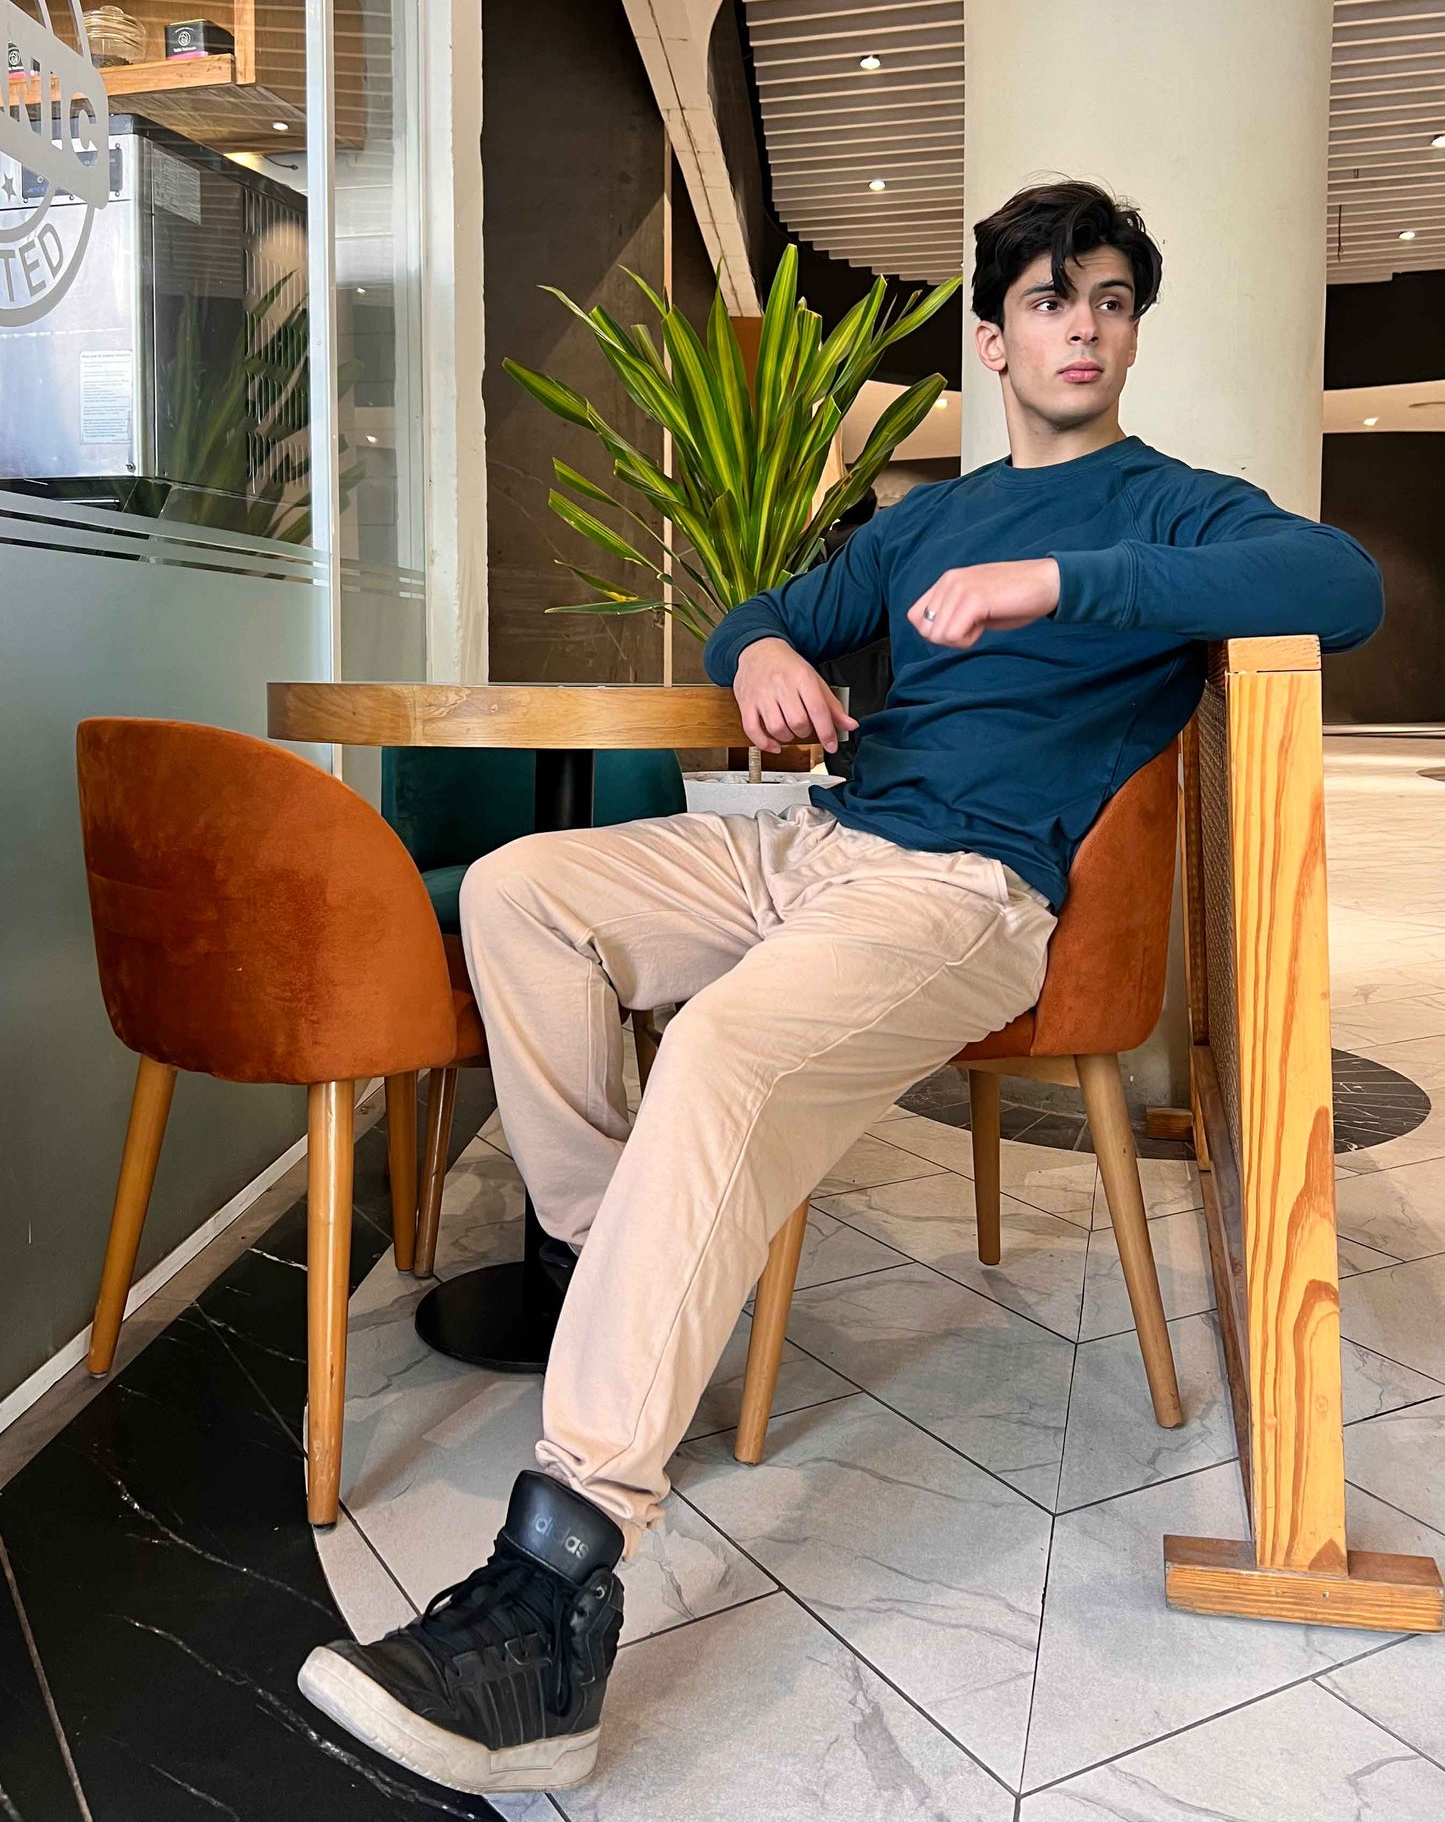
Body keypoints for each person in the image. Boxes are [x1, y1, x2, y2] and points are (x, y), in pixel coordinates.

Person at [298, 179, 1383, 1797]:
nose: (1081, 327)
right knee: (523, 894)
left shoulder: (1172, 508)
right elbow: (766, 611)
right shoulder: (922, 521)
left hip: (960, 894)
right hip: (810, 844)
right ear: (993, 339)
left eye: (1107, 300)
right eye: (1047, 300)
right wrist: (759, 656)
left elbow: (1342, 587)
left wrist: (1057, 585)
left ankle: (552, 1593)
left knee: (721, 1050)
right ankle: (614, 1264)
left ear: (1129, 330)